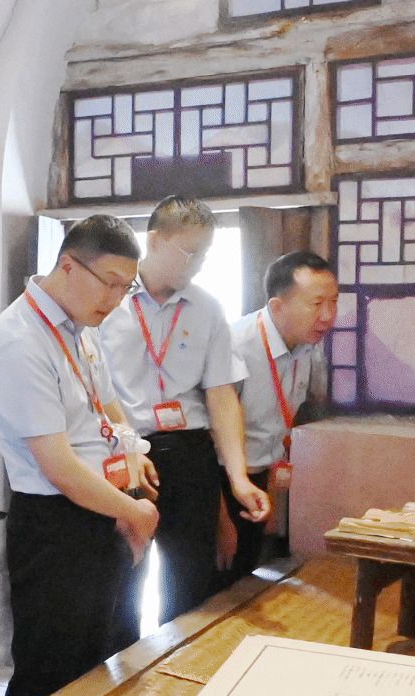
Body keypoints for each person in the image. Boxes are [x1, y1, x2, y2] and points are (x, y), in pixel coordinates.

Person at [0, 215, 161, 696]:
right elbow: (58, 466)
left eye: (126, 288)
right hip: (55, 526)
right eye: (109, 283)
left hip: (103, 507)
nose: (115, 299)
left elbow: (106, 405)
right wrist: (133, 512)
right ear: (67, 266)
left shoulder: (81, 327)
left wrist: (134, 456)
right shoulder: (20, 339)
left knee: (103, 660)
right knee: (49, 678)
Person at [101, 196, 269, 635]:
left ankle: (180, 670)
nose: (197, 265)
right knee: (122, 583)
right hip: (125, 454)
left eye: (205, 254)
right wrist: (124, 446)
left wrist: (238, 478)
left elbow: (221, 395)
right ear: (155, 240)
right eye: (189, 252)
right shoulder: (109, 300)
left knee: (191, 586)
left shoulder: (207, 308)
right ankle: (121, 673)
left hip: (190, 454)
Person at [224, 251, 337, 582]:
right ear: (277, 307)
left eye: (333, 302)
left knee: (247, 581)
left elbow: (280, 426)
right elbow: (206, 441)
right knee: (215, 588)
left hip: (259, 478)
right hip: (221, 482)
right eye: (316, 304)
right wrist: (221, 523)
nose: (328, 316)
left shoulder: (306, 346)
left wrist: (272, 494)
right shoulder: (236, 346)